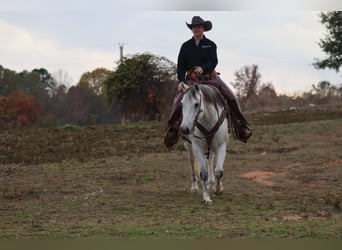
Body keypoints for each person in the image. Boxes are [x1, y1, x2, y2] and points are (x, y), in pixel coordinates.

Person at [164, 16, 252, 149]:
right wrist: (181, 81)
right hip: (192, 80)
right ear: (191, 29)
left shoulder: (211, 44)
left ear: (203, 28)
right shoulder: (185, 46)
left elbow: (214, 62)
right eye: (194, 27)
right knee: (179, 101)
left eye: (198, 27)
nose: (196, 29)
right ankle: (173, 129)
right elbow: (180, 66)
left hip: (210, 77)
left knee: (230, 96)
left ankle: (241, 125)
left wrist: (203, 68)